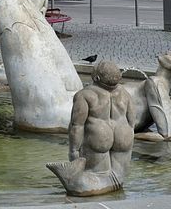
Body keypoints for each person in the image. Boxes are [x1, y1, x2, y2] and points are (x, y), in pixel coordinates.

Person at [48, 60, 135, 194]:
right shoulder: (125, 94)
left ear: (96, 77)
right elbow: (131, 120)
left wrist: (73, 151)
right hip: (123, 133)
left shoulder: (85, 95)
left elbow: (77, 125)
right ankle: (114, 185)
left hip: (99, 134)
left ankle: (84, 185)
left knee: (94, 176)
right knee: (117, 175)